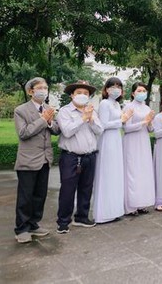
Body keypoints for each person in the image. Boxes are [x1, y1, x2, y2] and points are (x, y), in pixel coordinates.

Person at [13, 77, 60, 243]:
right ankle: (21, 228)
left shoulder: (48, 108)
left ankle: (34, 224)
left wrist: (48, 121)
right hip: (28, 160)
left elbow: (56, 129)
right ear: (30, 91)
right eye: (39, 87)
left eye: (45, 88)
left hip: (45, 159)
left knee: (40, 195)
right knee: (26, 196)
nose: (43, 90)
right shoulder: (21, 110)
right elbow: (24, 133)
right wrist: (42, 119)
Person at [56, 80, 103, 234]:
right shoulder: (65, 111)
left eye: (86, 93)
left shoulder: (92, 111)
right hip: (71, 157)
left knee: (86, 188)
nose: (82, 95)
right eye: (79, 93)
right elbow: (67, 131)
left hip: (89, 156)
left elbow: (99, 130)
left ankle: (82, 216)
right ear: (72, 95)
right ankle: (63, 221)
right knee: (68, 190)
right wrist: (82, 118)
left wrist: (90, 119)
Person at [93, 77, 131, 224]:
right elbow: (103, 125)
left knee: (116, 174)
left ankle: (115, 209)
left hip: (116, 139)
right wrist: (121, 121)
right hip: (107, 140)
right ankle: (104, 213)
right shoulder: (104, 103)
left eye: (119, 86)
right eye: (113, 86)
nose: (116, 89)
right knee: (107, 173)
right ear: (106, 89)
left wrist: (122, 121)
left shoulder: (116, 104)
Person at [122, 82, 156, 216]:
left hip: (144, 141)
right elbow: (126, 128)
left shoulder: (147, 108)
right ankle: (131, 206)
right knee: (132, 172)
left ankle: (142, 203)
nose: (142, 93)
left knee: (144, 172)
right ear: (133, 93)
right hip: (132, 142)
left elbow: (151, 129)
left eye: (144, 91)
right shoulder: (128, 107)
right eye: (139, 90)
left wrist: (150, 121)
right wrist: (144, 122)